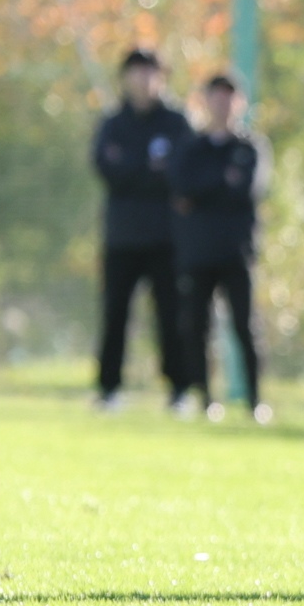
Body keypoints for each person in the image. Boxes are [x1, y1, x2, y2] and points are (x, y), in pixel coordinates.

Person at [92, 47, 194, 411]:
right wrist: (149, 169)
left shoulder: (176, 122)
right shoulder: (113, 123)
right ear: (125, 77)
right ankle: (109, 389)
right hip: (121, 237)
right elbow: (107, 170)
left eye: (150, 71)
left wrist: (134, 169)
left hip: (167, 238)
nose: (143, 79)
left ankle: (179, 389)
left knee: (171, 316)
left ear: (161, 77)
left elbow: (179, 173)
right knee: (115, 313)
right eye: (136, 71)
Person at [170, 74, 270, 423]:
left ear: (238, 103)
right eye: (216, 96)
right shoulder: (190, 147)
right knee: (196, 326)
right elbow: (181, 186)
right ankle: (204, 397)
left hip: (237, 251)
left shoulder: (251, 147)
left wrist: (204, 192)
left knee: (245, 326)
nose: (222, 104)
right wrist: (221, 182)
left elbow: (246, 189)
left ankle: (255, 400)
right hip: (197, 250)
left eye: (229, 97)